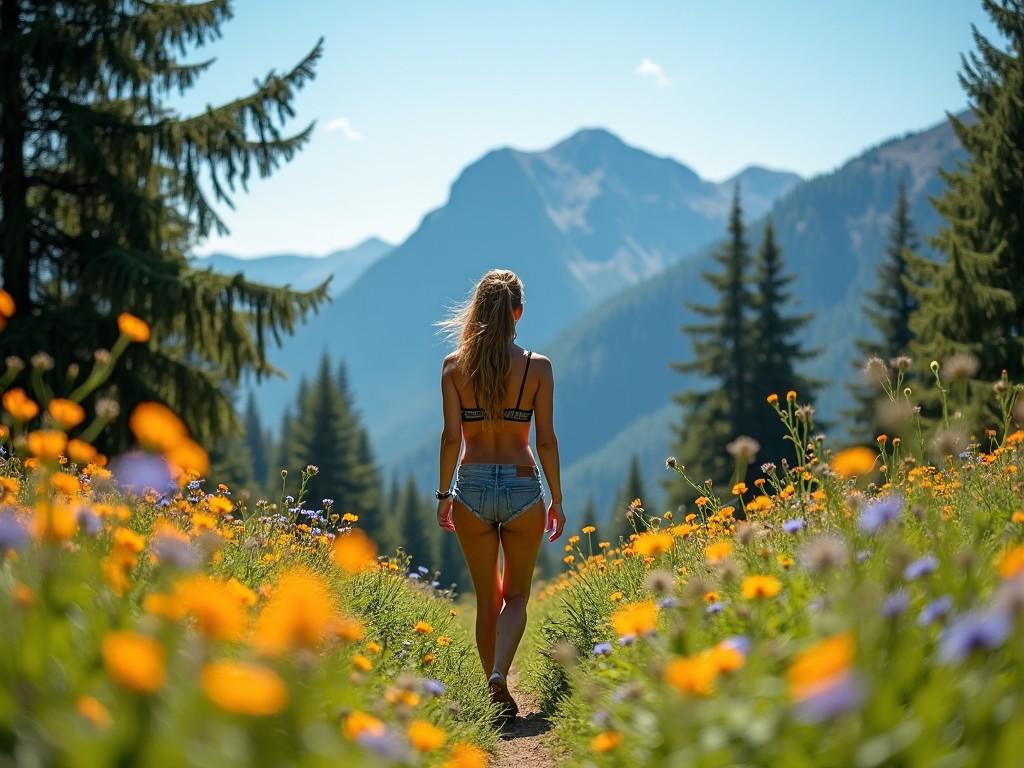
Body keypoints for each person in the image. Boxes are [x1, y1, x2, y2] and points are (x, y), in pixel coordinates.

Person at [435, 268, 565, 721]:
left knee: (486, 599)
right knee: (516, 598)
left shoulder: (454, 367)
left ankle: (493, 690)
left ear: (477, 313)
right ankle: (498, 675)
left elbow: (452, 438)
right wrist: (558, 500)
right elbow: (545, 440)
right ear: (518, 313)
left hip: (469, 485)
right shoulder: (538, 368)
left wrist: (443, 494)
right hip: (522, 486)